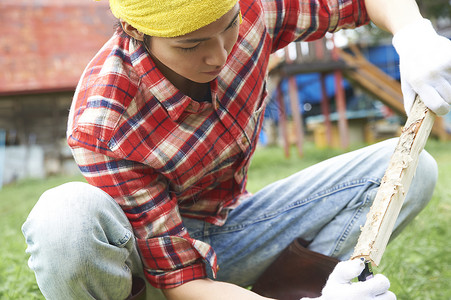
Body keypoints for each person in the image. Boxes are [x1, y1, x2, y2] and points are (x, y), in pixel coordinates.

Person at [22, 0, 451, 299]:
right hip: (152, 264)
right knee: (64, 218)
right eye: (191, 45)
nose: (220, 55)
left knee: (412, 171)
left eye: (228, 27)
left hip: (230, 230)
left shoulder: (251, 9)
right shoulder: (104, 122)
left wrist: (412, 32)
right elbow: (180, 281)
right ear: (136, 32)